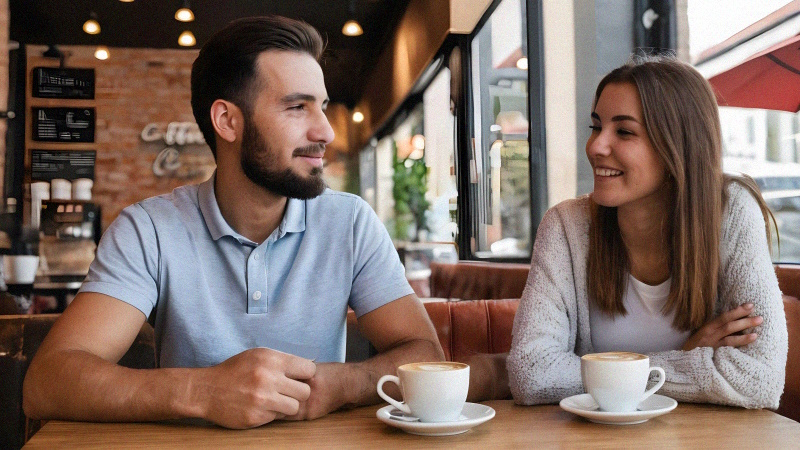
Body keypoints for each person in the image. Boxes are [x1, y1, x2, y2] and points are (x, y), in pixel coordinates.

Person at [23, 16, 445, 429]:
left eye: (323, 107)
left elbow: (425, 355)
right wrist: (202, 391)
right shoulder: (148, 229)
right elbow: (47, 383)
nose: (326, 132)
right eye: (297, 107)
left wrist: (342, 383)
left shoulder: (350, 221)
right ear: (227, 121)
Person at [507, 55, 788, 408]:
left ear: (677, 146)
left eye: (623, 131)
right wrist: (684, 356)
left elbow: (759, 378)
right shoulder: (566, 226)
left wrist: (615, 377)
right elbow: (532, 374)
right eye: (596, 126)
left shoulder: (730, 213)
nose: (595, 146)